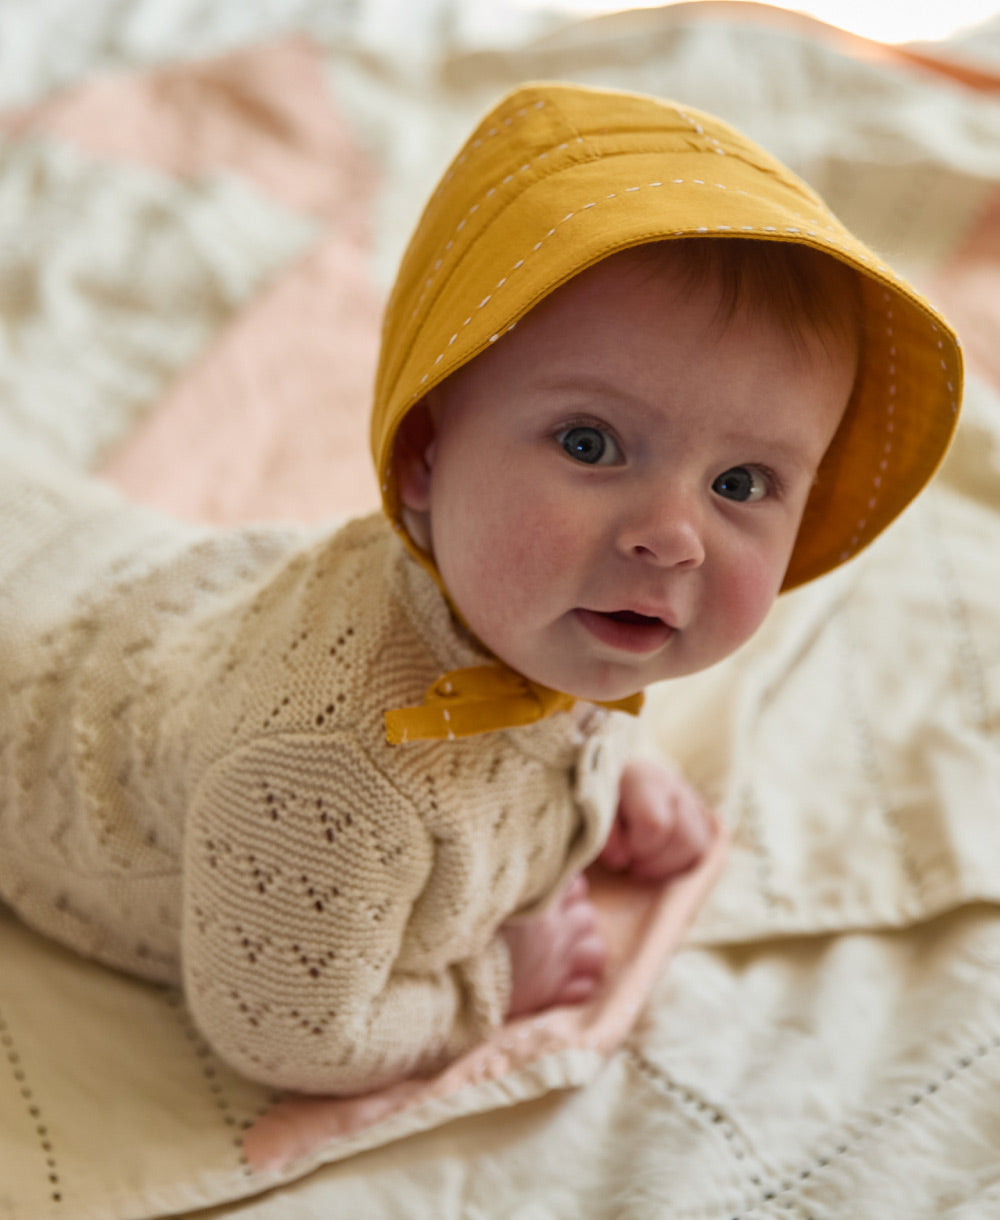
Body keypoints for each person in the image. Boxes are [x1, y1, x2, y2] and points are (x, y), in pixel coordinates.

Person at [0, 82, 962, 1095]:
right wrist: (495, 983)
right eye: (590, 444)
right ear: (423, 453)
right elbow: (287, 1032)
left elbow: (562, 701)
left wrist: (610, 776)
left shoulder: (551, 603)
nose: (674, 537)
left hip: (126, 583)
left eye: (740, 484)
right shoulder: (322, 778)